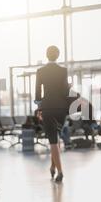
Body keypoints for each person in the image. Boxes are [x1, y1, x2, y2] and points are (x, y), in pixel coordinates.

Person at [35, 46, 70, 183]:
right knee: (56, 139)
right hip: (61, 109)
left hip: (48, 108)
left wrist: (39, 108)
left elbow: (38, 92)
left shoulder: (41, 71)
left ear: (46, 54)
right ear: (58, 55)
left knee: (53, 141)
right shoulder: (63, 71)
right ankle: (52, 166)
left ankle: (60, 172)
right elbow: (66, 92)